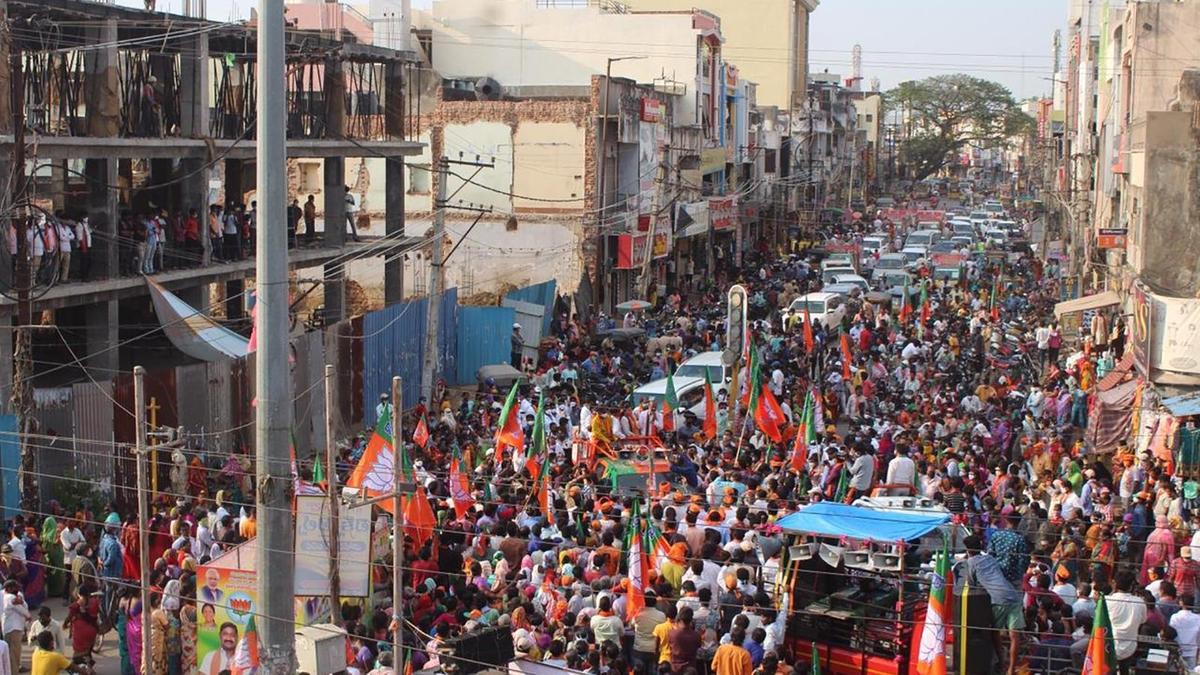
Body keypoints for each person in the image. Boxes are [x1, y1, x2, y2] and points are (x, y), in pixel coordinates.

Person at [1, 580, 29, 675]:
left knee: (12, 654)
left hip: (12, 629)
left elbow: (21, 604)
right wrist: (28, 616)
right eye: (14, 587)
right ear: (9, 588)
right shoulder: (10, 596)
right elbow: (19, 607)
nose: (17, 589)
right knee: (14, 655)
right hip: (13, 630)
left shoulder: (9, 596)